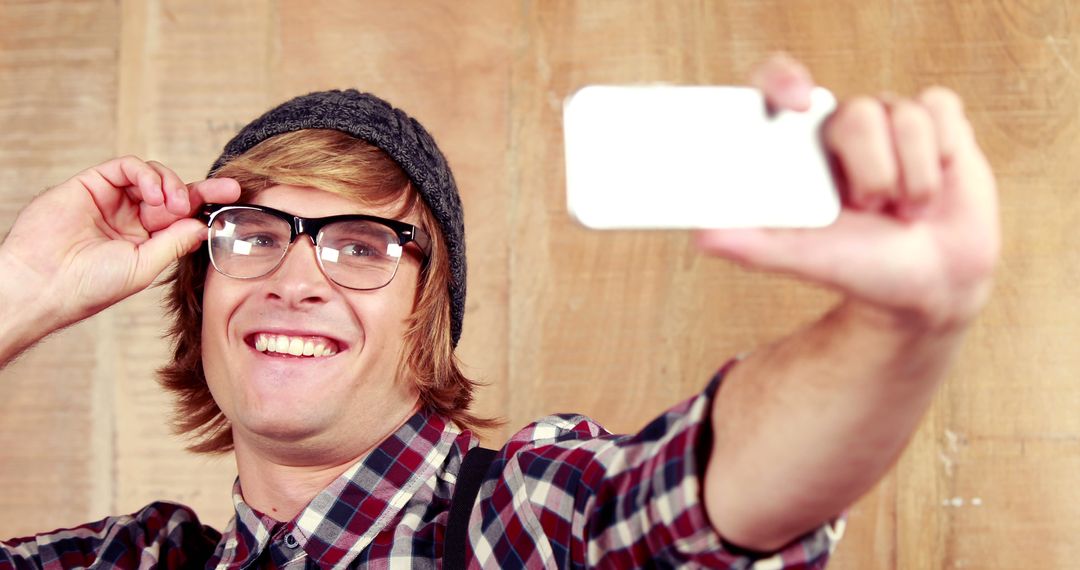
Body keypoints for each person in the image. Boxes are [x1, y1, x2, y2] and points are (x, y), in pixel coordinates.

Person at [0, 54, 997, 569]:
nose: (293, 281)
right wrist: (14, 301)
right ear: (199, 288)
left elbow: (708, 497)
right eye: (254, 235)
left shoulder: (525, 521)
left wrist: (900, 328)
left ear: (429, 313)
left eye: (359, 246)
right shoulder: (132, 558)